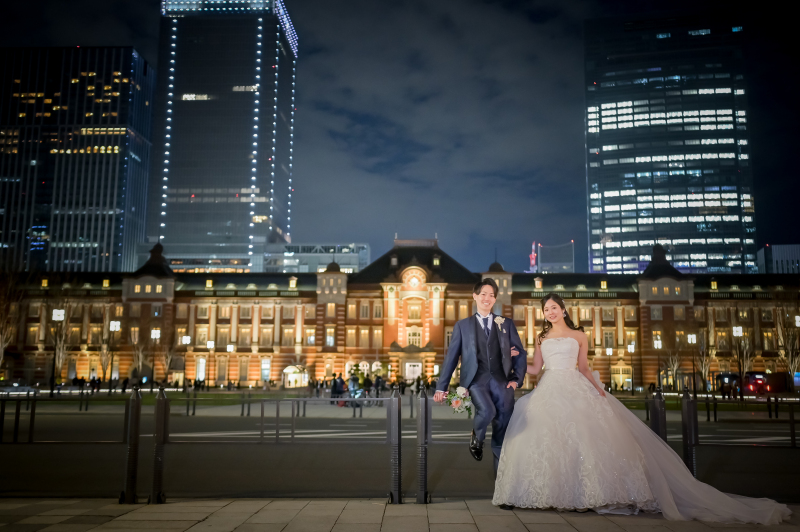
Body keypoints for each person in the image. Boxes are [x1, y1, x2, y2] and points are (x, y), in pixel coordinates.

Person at [493, 293, 791, 524]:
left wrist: (598, 389)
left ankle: (583, 496)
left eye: (554, 307)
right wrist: (514, 358)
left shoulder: (579, 336)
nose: (550, 312)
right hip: (549, 389)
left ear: (564, 310)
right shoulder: (541, 338)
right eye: (546, 309)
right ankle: (555, 493)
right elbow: (536, 368)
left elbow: (583, 367)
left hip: (574, 387)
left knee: (583, 440)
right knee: (551, 442)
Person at [434, 278, 527, 473]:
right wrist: (441, 387)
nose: (487, 298)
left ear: (495, 299)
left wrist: (516, 380)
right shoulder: (462, 326)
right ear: (475, 296)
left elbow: (520, 353)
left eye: (491, 295)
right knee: (487, 411)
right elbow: (452, 357)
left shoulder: (506, 324)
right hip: (476, 381)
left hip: (503, 383)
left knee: (502, 432)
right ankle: (476, 436)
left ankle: (501, 480)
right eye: (483, 294)